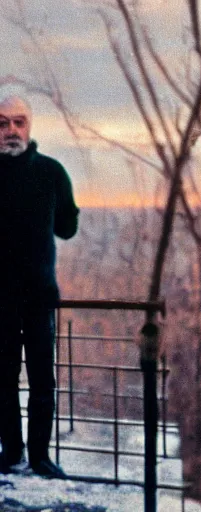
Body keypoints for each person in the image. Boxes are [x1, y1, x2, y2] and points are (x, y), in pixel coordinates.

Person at [0, 94, 79, 479]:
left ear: (29, 126)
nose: (10, 130)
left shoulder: (52, 173)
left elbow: (67, 227)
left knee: (43, 380)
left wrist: (64, 208)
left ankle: (40, 457)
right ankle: (11, 453)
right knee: (2, 379)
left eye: (18, 122)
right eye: (2, 123)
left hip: (39, 296)